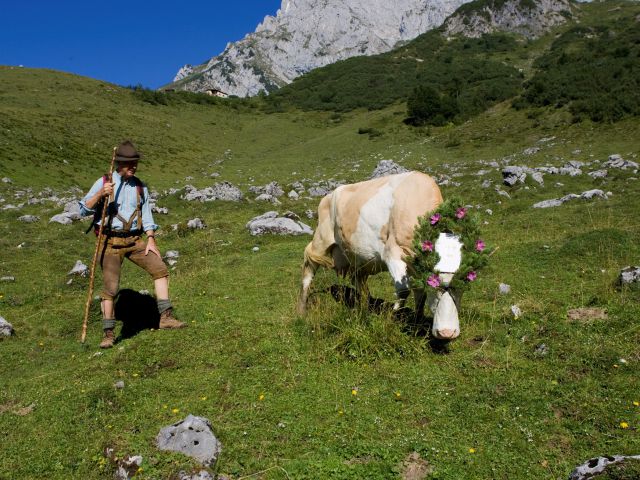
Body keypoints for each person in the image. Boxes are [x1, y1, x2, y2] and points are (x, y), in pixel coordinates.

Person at [79, 140, 185, 348]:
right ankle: (108, 334)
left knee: (160, 269)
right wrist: (101, 194)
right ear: (118, 164)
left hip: (134, 239)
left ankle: (166, 318)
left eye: (135, 163)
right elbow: (83, 210)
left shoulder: (140, 186)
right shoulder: (104, 182)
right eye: (129, 164)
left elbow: (146, 214)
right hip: (110, 242)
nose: (133, 167)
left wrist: (151, 238)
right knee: (111, 289)